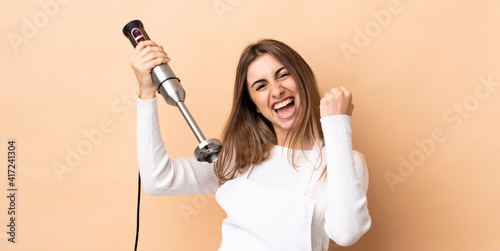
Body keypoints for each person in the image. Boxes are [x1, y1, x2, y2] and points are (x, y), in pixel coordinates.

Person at [130, 39, 371, 251]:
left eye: (283, 75)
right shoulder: (240, 158)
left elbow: (346, 234)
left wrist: (336, 125)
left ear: (303, 80)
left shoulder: (343, 162)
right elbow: (157, 180)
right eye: (261, 85)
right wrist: (146, 92)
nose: (276, 90)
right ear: (254, 104)